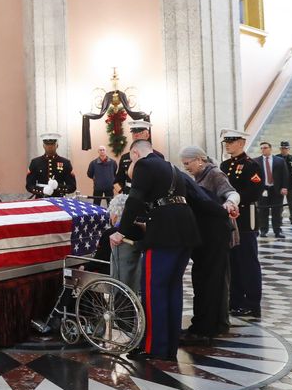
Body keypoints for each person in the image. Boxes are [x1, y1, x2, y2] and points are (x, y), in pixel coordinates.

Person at [110, 139, 199, 361]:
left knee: (152, 290)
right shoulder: (172, 167)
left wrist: (122, 230)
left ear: (135, 154)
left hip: (164, 233)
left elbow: (134, 200)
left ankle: (154, 347)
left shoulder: (144, 165)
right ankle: (169, 344)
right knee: (172, 288)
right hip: (185, 229)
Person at [180, 145, 239, 343]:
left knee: (217, 281)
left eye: (188, 163)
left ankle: (215, 325)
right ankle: (211, 323)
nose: (186, 167)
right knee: (210, 280)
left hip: (217, 235)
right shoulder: (197, 177)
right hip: (206, 236)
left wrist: (230, 203)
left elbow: (231, 192)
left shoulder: (214, 174)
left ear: (199, 159)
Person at [220, 129, 264, 318]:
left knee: (248, 261)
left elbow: (254, 192)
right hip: (228, 220)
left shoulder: (251, 165)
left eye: (232, 141)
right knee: (233, 262)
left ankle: (253, 303)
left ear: (242, 143)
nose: (228, 144)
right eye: (226, 142)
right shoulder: (225, 165)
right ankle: (235, 300)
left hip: (245, 218)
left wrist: (233, 202)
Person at [115, 120, 163, 193]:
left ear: (147, 135)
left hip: (150, 194)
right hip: (129, 194)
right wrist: (122, 193)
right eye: (134, 132)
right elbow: (117, 181)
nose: (136, 135)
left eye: (140, 132)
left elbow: (162, 180)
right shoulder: (125, 157)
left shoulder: (158, 156)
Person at [254, 142, 288, 238]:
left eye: (265, 147)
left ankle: (277, 230)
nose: (263, 150)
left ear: (270, 148)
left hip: (276, 189)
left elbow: (285, 175)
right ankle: (263, 230)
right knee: (263, 211)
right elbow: (253, 177)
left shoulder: (279, 160)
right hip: (263, 189)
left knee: (277, 211)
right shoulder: (256, 161)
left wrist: (284, 187)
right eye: (261, 148)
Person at [26, 133, 76, 197]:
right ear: (43, 146)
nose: (50, 146)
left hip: (59, 199)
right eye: (47, 144)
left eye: (52, 144)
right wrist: (42, 190)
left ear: (57, 145)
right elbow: (29, 185)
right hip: (41, 198)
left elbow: (72, 187)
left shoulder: (65, 163)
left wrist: (58, 187)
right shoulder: (35, 162)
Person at [279, 141, 292, 225]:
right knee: (278, 203)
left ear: (289, 149)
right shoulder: (276, 158)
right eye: (283, 148)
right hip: (279, 184)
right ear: (280, 149)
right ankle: (278, 218)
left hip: (291, 184)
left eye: (286, 148)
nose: (284, 150)